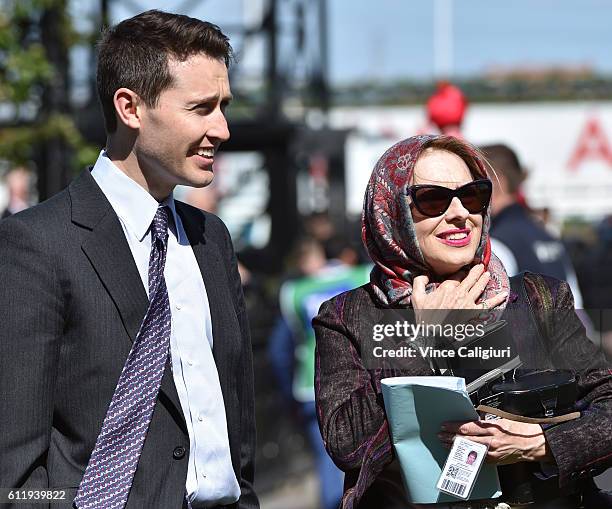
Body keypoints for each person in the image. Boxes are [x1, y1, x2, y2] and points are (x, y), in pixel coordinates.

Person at [0, 10, 258, 509]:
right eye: (201, 107)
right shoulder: (36, 245)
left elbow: (237, 434)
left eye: (223, 106)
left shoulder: (213, 241)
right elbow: (14, 472)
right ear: (130, 108)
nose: (222, 128)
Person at [313, 134, 612, 508]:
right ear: (391, 212)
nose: (459, 213)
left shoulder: (539, 298)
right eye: (433, 199)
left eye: (472, 195)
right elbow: (348, 445)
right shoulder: (347, 316)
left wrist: (539, 444)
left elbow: (608, 408)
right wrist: (425, 336)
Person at [481, 143, 584, 307]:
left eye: (476, 182)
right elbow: (576, 304)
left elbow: (494, 316)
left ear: (496, 181)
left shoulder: (496, 243)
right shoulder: (547, 235)